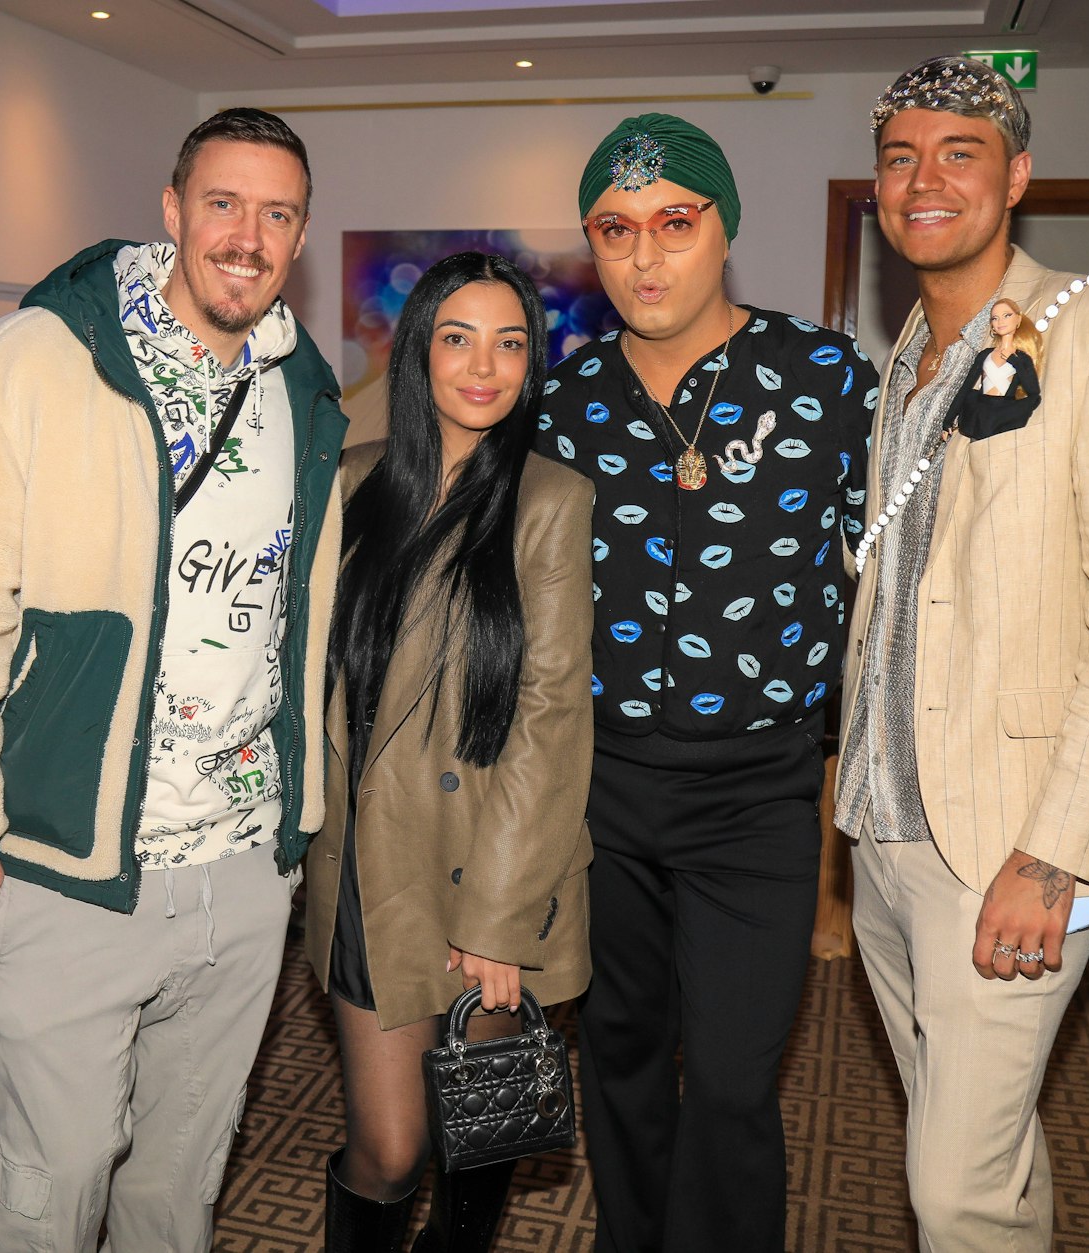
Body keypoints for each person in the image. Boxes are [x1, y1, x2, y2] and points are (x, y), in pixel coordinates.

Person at [0, 108, 347, 1251]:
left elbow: (295, 619)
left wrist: (291, 826)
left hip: (240, 865)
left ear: (300, 236)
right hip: (73, 861)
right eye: (222, 203)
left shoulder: (301, 393)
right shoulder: (37, 361)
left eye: (276, 213)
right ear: (172, 211)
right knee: (55, 1173)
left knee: (180, 1177)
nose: (247, 235)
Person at [836, 57, 1089, 1250]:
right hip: (885, 832)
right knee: (978, 1146)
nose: (922, 180)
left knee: (951, 1188)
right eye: (899, 158)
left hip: (1010, 838)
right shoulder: (907, 358)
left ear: (1016, 177)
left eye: (958, 154)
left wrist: (1053, 854)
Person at [534, 113, 878, 1253]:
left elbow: (894, 575)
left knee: (731, 1076)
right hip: (603, 788)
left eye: (674, 223)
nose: (644, 256)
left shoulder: (822, 378)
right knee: (622, 1053)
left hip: (758, 791)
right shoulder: (563, 404)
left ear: (723, 227)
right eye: (615, 229)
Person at [306, 251, 596, 1251]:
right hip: (367, 868)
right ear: (416, 350)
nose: (485, 366)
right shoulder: (350, 486)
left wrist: (500, 920)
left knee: (479, 1127)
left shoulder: (548, 499)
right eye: (457, 338)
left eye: (510, 342)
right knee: (387, 1145)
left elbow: (550, 717)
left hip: (489, 868)